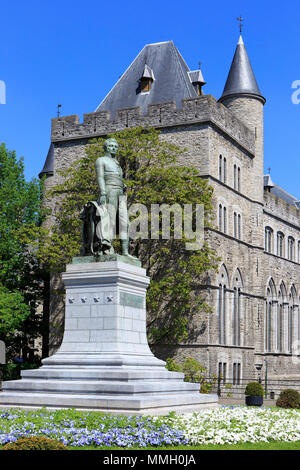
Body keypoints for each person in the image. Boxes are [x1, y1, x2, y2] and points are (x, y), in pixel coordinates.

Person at [95, 138, 132, 257]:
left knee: (124, 222)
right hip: (109, 190)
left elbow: (118, 177)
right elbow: (100, 177)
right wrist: (103, 193)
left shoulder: (117, 163)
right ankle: (107, 248)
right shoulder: (101, 160)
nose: (114, 148)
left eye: (115, 146)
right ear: (105, 147)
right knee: (110, 220)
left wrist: (123, 184)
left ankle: (125, 251)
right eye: (111, 146)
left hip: (120, 192)